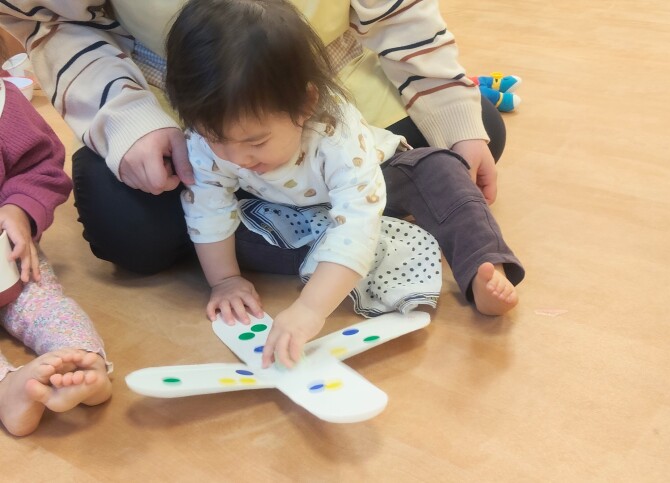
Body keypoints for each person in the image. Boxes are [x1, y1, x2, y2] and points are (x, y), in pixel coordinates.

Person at [0, 0, 509, 276]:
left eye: (256, 145)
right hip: (184, 107)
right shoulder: (213, 141)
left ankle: (272, 226)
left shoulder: (323, 119)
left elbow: (400, 14)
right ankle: (302, 217)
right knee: (126, 228)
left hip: (337, 88)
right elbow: (48, 19)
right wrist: (127, 120)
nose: (243, 159)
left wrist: (452, 112)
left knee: (475, 130)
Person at [165, 0, 524, 369]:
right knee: (209, 230)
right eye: (215, 139)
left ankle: (483, 267)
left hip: (377, 184)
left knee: (441, 169)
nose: (236, 157)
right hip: (285, 215)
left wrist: (310, 309)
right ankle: (347, 258)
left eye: (256, 142)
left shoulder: (335, 132)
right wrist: (225, 280)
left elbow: (356, 218)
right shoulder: (205, 138)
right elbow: (208, 208)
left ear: (306, 103)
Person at [0, 74, 112, 437]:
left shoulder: (4, 105)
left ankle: (81, 360)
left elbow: (39, 166)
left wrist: (20, 207)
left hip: (9, 258)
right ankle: (7, 390)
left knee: (44, 304)